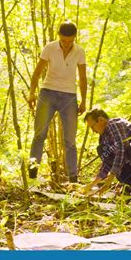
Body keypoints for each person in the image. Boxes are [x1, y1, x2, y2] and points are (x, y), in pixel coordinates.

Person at [28, 22, 87, 183]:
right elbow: (38, 71)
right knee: (39, 134)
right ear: (59, 36)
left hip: (69, 96)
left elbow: (82, 77)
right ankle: (32, 174)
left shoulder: (80, 51)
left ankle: (73, 178)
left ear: (74, 37)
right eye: (63, 40)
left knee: (70, 139)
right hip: (48, 92)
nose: (66, 44)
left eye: (70, 41)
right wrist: (32, 93)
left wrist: (83, 101)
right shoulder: (50, 47)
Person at [82, 108, 131, 196]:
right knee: (101, 149)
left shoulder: (114, 125)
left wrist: (111, 178)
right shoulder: (103, 137)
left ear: (100, 120)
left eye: (92, 126)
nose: (93, 131)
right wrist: (93, 184)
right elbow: (107, 163)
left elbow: (121, 149)